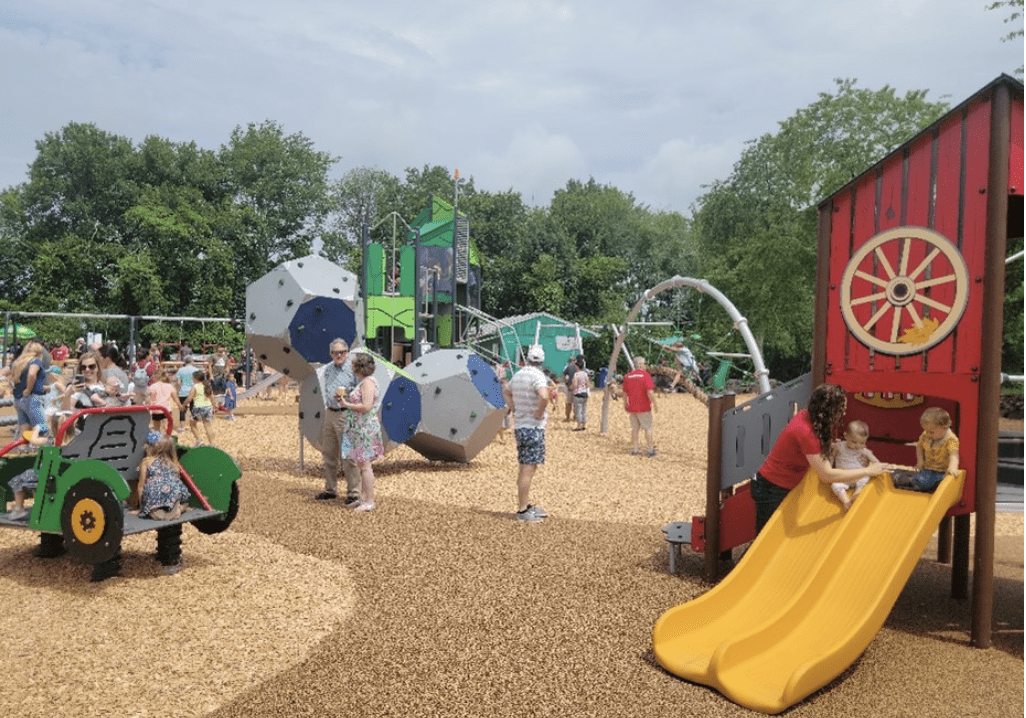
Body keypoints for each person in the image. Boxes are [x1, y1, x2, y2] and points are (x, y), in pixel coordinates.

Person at [752, 383, 891, 534]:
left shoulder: (806, 415)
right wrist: (868, 471)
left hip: (774, 484)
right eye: (841, 410)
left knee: (772, 533)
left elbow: (806, 449)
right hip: (771, 488)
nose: (843, 413)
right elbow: (827, 475)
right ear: (830, 412)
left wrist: (830, 446)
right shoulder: (806, 433)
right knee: (768, 534)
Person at [503, 344, 550, 523]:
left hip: (521, 426)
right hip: (533, 427)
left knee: (524, 466)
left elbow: (506, 391)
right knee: (528, 469)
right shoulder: (538, 375)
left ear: (528, 359)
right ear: (542, 361)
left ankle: (526, 503)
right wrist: (539, 412)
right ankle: (523, 510)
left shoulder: (519, 374)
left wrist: (514, 408)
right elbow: (544, 396)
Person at [337, 352, 385, 511]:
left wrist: (346, 404)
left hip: (364, 428)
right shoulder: (364, 382)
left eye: (354, 364)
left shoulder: (368, 383)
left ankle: (369, 501)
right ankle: (364, 498)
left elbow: (366, 406)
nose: (352, 366)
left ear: (359, 367)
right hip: (359, 427)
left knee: (365, 466)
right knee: (362, 464)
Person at [316, 339, 361, 504]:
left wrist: (347, 393)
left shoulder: (353, 370)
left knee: (348, 456)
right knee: (328, 453)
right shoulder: (327, 370)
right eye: (335, 352)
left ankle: (354, 492)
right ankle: (330, 489)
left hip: (345, 414)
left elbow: (360, 391)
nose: (339, 355)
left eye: (342, 352)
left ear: (347, 352)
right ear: (331, 354)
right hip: (330, 413)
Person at [135, 435, 191, 520]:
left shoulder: (147, 462)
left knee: (152, 499)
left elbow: (141, 486)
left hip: (155, 496)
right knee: (181, 497)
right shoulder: (174, 463)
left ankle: (154, 510)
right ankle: (179, 509)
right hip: (172, 494)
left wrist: (141, 508)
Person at [906, 407, 960, 493]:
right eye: (925, 430)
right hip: (929, 468)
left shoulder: (951, 439)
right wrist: (920, 462)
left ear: (944, 427)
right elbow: (919, 446)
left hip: (943, 470)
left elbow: (953, 455)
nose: (927, 433)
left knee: (945, 485)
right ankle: (910, 481)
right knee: (923, 482)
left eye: (931, 432)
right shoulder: (926, 435)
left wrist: (952, 467)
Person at [829, 420, 880, 510]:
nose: (857, 446)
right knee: (835, 485)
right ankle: (845, 501)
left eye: (862, 443)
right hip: (844, 477)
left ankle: (858, 490)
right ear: (845, 436)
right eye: (854, 442)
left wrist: (876, 465)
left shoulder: (863, 450)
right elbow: (831, 458)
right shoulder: (840, 447)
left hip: (858, 475)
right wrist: (829, 467)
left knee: (866, 476)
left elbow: (876, 462)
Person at [11, 340, 49, 446]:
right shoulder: (36, 361)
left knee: (24, 428)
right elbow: (32, 374)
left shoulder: (19, 363)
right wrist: (28, 389)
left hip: (18, 400)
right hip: (32, 398)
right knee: (42, 428)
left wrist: (11, 386)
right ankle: (42, 453)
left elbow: (4, 373)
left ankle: (21, 453)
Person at [622, 356, 657, 457]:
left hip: (632, 407)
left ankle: (635, 449)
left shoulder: (628, 376)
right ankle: (650, 449)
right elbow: (650, 391)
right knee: (648, 428)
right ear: (640, 365)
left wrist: (625, 404)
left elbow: (624, 393)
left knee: (635, 429)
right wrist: (655, 404)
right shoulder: (646, 376)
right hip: (644, 407)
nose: (646, 366)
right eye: (645, 363)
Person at [184, 370, 216, 446]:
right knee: (207, 426)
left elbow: (189, 399)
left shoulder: (195, 387)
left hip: (198, 407)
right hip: (207, 407)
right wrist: (214, 406)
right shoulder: (207, 386)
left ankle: (199, 440)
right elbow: (212, 398)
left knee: (192, 424)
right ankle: (212, 444)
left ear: (195, 378)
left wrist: (183, 405)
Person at [147, 366, 181, 432]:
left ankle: (158, 441)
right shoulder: (170, 386)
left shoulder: (152, 387)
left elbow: (148, 399)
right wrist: (181, 406)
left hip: (156, 410)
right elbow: (176, 399)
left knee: (156, 429)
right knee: (167, 428)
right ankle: (167, 441)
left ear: (156, 376)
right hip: (166, 410)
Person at [174, 355, 200, 432]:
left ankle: (182, 427)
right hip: (194, 391)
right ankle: (194, 426)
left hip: (183, 391)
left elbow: (178, 383)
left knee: (182, 409)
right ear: (191, 361)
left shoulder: (180, 370)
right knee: (193, 409)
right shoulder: (196, 369)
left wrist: (177, 391)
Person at [570, 355, 590, 431]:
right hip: (585, 393)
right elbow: (588, 384)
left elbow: (575, 384)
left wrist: (571, 387)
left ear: (577, 366)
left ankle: (579, 425)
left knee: (578, 410)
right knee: (584, 410)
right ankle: (584, 424)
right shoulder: (585, 374)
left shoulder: (576, 374)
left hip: (578, 393)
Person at [561, 356, 577, 422]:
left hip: (570, 386)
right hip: (577, 387)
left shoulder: (568, 367)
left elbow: (564, 374)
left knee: (568, 403)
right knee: (576, 403)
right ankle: (575, 417)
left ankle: (568, 417)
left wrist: (566, 383)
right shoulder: (579, 367)